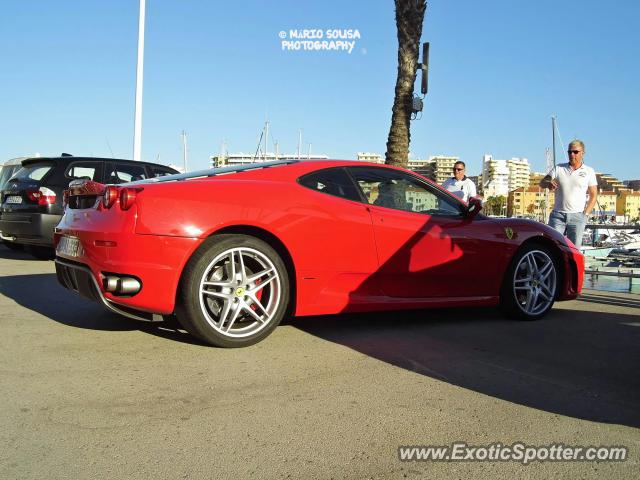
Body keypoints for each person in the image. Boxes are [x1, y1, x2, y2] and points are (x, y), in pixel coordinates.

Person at [540, 139, 597, 248]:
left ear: (583, 153)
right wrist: (548, 183)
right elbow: (542, 182)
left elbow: (594, 194)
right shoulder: (559, 168)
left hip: (578, 216)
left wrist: (585, 215)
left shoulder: (589, 171)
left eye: (575, 152)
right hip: (557, 216)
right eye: (569, 152)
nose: (572, 154)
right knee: (552, 247)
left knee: (574, 250)